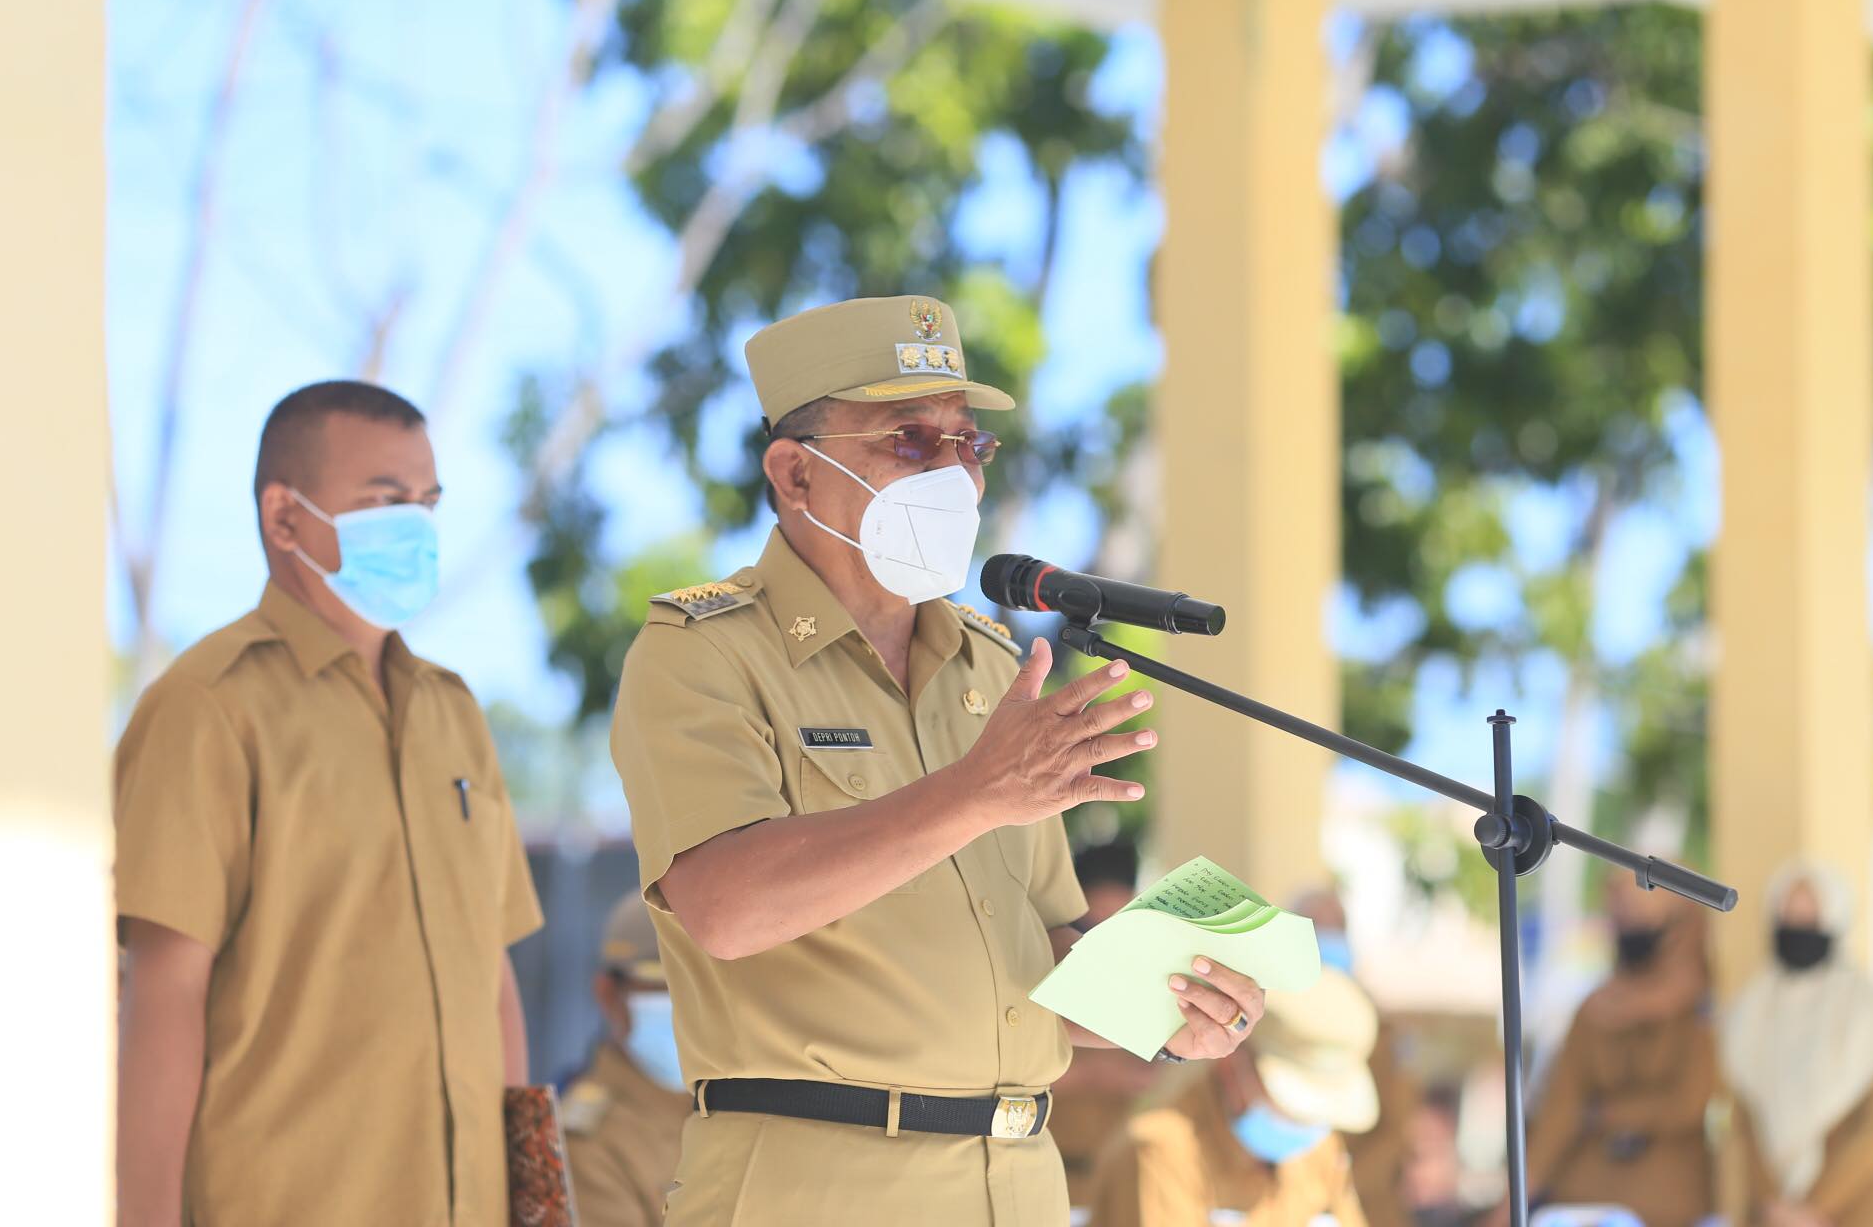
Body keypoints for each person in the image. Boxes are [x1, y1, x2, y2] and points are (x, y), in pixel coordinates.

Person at [610, 295, 1270, 1225]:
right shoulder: (706, 652)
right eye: (911, 443)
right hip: (815, 1184)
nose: (955, 474)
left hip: (1017, 1181)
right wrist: (975, 792)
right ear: (796, 475)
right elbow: (724, 907)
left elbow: (1037, 963)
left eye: (970, 445)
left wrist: (1170, 1002)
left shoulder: (992, 667)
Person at [114, 381, 544, 1226]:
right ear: (284, 519)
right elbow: (163, 1002)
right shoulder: (208, 708)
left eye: (427, 503)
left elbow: (491, 982)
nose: (416, 527)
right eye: (385, 501)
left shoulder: (452, 713)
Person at [1084, 968, 1379, 1227]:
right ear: (1233, 1061)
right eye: (1293, 1109)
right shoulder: (1163, 1145)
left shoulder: (1320, 1152)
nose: (1307, 1124)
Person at [1718, 859, 1873, 1227]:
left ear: (1833, 921)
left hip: (1858, 1208)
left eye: (1809, 918)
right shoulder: (1749, 1013)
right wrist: (1775, 1205)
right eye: (1789, 916)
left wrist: (1813, 1207)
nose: (1797, 928)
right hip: (1770, 1212)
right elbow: (1742, 1121)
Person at [1518, 870, 1717, 1227]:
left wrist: (1605, 1113)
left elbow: (1690, 1101)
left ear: (1676, 925)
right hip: (1585, 1195)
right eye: (1622, 915)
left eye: (1642, 914)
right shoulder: (1595, 1009)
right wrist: (1514, 1197)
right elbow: (1562, 1107)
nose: (1630, 925)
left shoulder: (1701, 1012)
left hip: (1669, 1204)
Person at [562, 890, 693, 1227]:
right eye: (660, 983)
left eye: (698, 986)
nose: (683, 1002)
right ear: (609, 995)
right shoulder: (589, 1142)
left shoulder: (742, 1105)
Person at [1293, 886, 1418, 1227]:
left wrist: (1334, 1191)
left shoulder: (1383, 1030)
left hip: (1367, 1207)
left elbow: (1399, 1129)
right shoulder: (1268, 1019)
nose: (1328, 936)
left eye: (1338, 927)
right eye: (1316, 925)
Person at [1051, 839, 1163, 1207]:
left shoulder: (1154, 972)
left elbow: (1174, 1079)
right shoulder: (1042, 963)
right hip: (1051, 1176)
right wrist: (1097, 1072)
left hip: (1129, 1186)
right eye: (1089, 927)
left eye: (1116, 925)